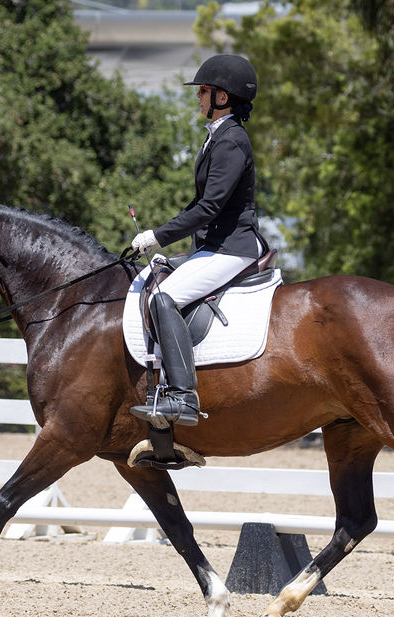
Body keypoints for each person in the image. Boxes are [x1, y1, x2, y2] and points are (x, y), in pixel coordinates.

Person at [128, 54, 267, 427]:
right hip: (213, 246)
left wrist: (157, 236)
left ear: (222, 97)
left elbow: (208, 208)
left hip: (231, 247)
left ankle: (183, 397)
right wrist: (164, 241)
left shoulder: (231, 141)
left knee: (165, 297)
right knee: (156, 277)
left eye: (203, 91)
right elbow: (200, 204)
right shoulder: (217, 137)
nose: (198, 97)